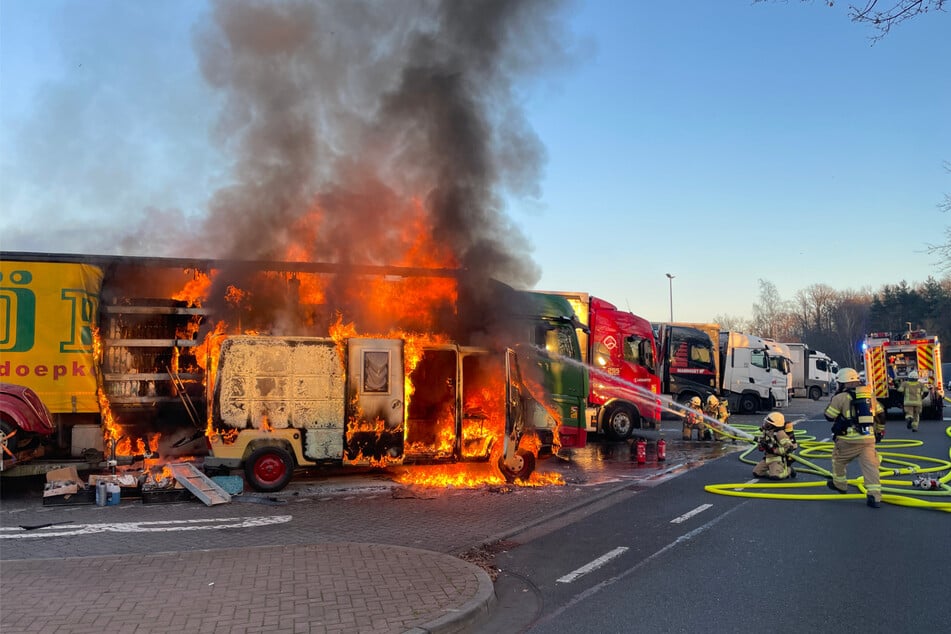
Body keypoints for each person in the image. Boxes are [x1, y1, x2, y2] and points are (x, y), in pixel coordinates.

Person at [823, 367, 886, 508]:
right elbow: (881, 415)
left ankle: (840, 484)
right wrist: (880, 431)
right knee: (871, 467)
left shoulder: (840, 397)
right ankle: (874, 496)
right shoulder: (869, 396)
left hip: (848, 441)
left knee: (838, 460)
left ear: (842, 383)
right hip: (868, 439)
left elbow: (829, 416)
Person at [752, 412, 796, 480]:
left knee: (775, 476)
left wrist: (774, 450)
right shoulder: (767, 432)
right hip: (768, 458)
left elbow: (789, 448)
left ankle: (789, 471)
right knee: (756, 473)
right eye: (766, 423)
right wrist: (761, 446)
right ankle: (771, 470)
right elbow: (763, 442)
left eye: (768, 424)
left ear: (774, 425)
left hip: (777, 459)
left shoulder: (780, 434)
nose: (765, 425)